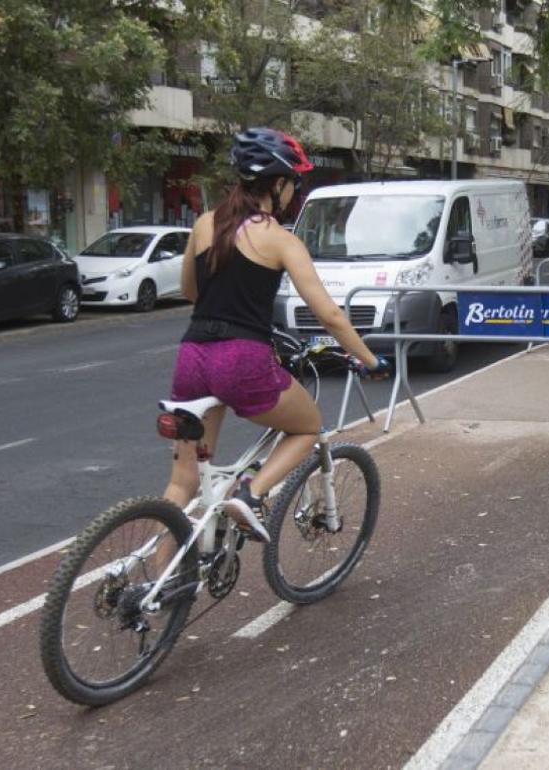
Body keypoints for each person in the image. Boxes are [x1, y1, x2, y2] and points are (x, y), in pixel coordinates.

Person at [164, 127, 388, 532]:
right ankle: (251, 492)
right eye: (293, 185)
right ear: (279, 184)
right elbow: (330, 316)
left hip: (193, 355)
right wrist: (368, 357)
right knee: (307, 427)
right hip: (242, 359)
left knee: (182, 483)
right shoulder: (281, 240)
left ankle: (153, 583)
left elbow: (188, 290)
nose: (292, 194)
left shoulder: (204, 225)